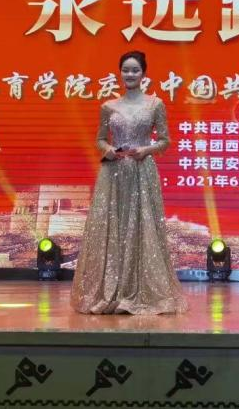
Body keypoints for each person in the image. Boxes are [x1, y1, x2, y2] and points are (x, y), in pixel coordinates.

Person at [71, 50, 187, 315]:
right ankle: (112, 290)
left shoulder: (155, 104)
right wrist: (109, 150)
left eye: (135, 70)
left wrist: (145, 150)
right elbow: (100, 139)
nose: (130, 74)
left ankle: (140, 289)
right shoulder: (108, 106)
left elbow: (165, 141)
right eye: (126, 70)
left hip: (142, 171)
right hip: (113, 173)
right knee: (114, 227)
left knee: (142, 226)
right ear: (120, 73)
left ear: (143, 73)